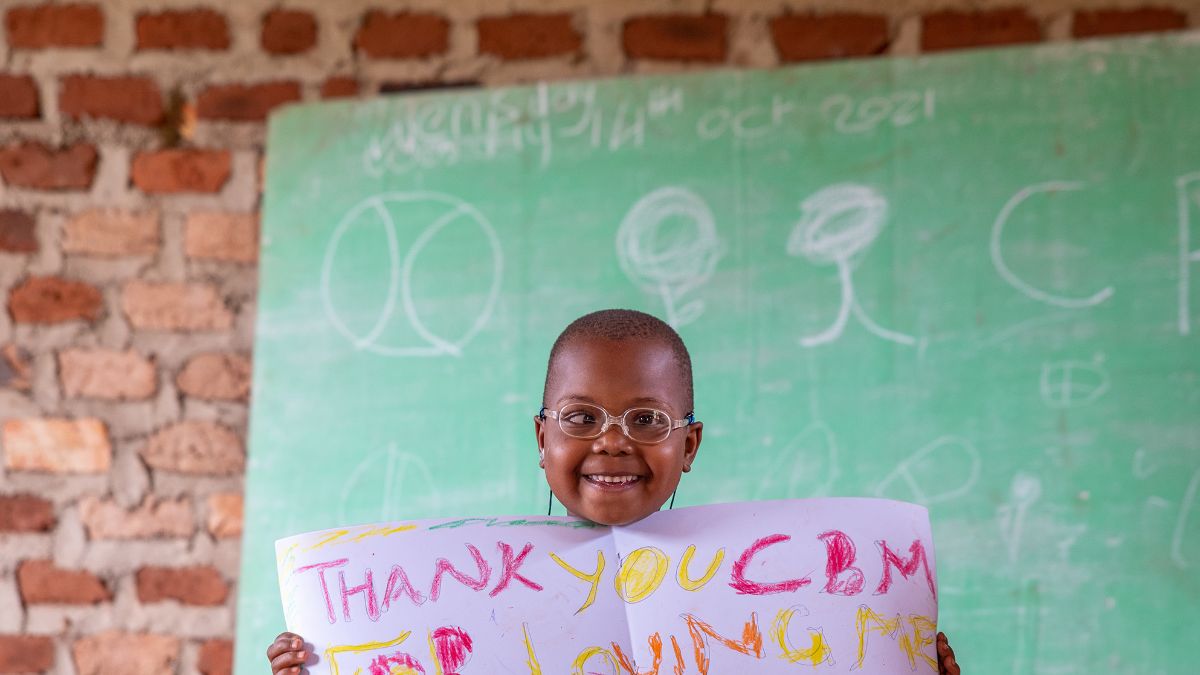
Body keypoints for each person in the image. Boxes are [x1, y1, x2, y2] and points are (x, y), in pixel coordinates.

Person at [267, 309, 961, 674]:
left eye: (647, 419)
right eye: (581, 417)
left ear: (687, 445)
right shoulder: (449, 597)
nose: (612, 440)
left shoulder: (773, 587)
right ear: (543, 438)